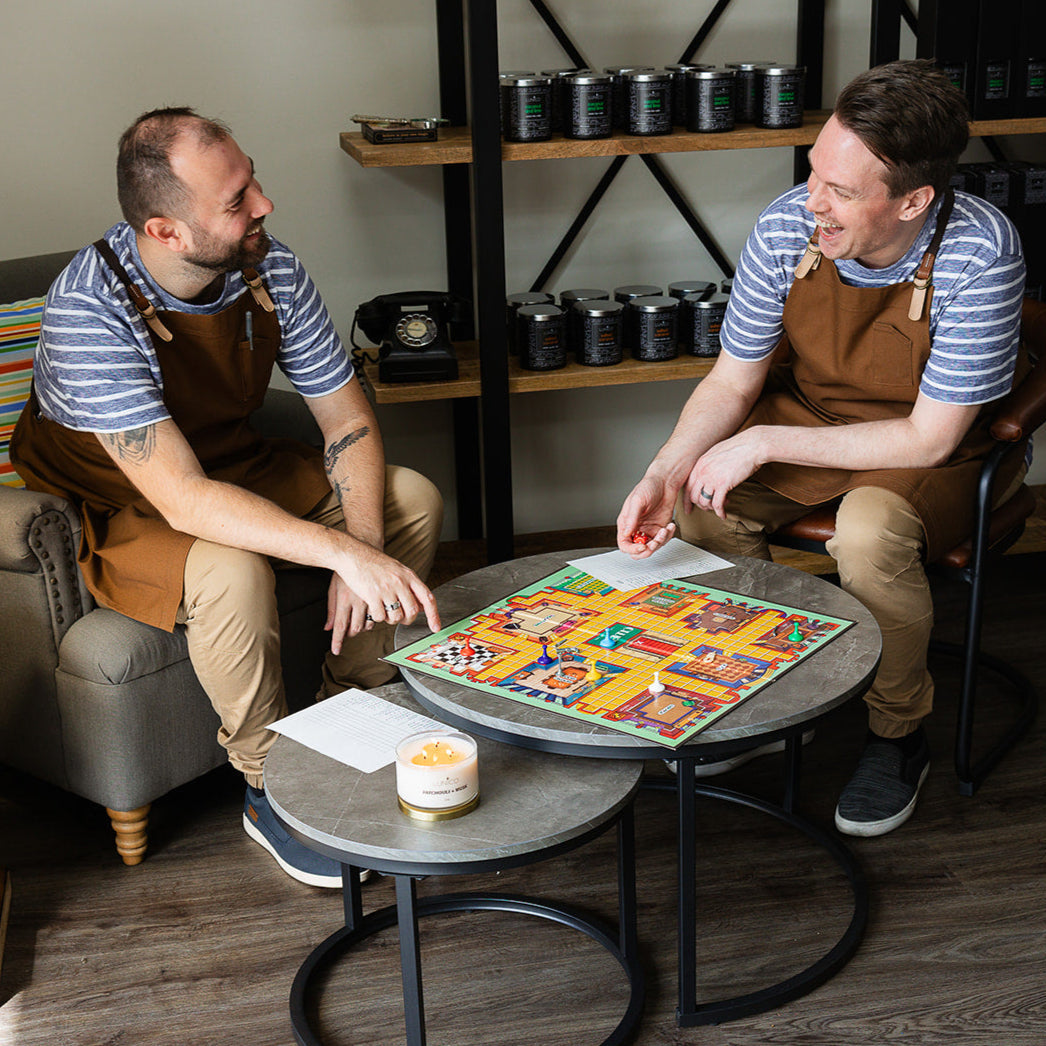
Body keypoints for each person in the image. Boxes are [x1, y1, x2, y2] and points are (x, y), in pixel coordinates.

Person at [11, 107, 444, 885]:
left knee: (410, 495)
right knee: (229, 569)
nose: (264, 206)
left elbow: (347, 417)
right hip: (129, 497)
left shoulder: (268, 265)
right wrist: (343, 551)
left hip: (229, 464)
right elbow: (181, 500)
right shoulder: (89, 311)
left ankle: (350, 704)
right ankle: (269, 781)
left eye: (252, 182)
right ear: (165, 231)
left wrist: (365, 550)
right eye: (236, 200)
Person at [616, 61, 1028, 837]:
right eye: (815, 173)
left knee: (869, 533)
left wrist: (764, 440)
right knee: (707, 497)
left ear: (913, 201)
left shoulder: (981, 250)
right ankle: (769, 701)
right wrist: (662, 474)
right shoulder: (787, 225)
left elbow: (929, 436)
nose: (814, 202)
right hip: (813, 419)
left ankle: (897, 737)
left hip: (931, 447)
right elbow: (733, 381)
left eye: (841, 190)